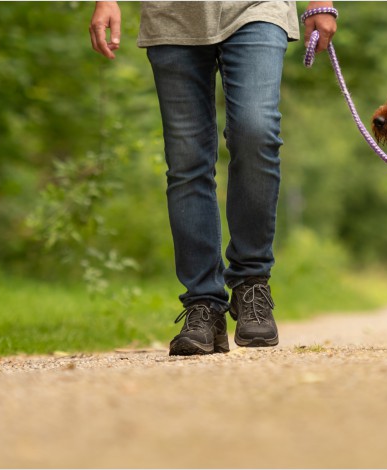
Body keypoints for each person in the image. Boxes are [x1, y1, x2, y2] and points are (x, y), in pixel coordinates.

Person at [89, 1, 337, 355]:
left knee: (256, 131)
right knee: (186, 161)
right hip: (172, 15)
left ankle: (252, 282)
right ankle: (203, 305)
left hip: (257, 9)